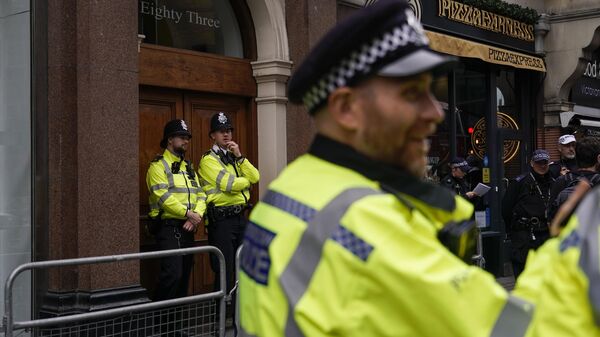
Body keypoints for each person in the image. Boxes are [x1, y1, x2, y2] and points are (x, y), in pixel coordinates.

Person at [239, 1, 548, 335]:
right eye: (412, 93)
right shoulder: (369, 221)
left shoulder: (289, 188)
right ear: (345, 108)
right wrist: (581, 250)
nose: (435, 113)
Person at [199, 112, 259, 296]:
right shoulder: (208, 160)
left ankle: (237, 316)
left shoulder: (234, 158)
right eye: (220, 131)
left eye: (228, 131)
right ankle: (221, 317)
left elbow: (255, 176)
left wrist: (240, 156)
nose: (226, 135)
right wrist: (245, 182)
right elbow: (229, 184)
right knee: (225, 269)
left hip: (240, 218)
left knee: (242, 267)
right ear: (212, 136)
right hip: (222, 220)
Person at [146, 119, 206, 301]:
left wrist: (196, 216)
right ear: (169, 139)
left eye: (187, 137)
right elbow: (163, 198)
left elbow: (202, 194)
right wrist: (188, 213)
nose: (186, 140)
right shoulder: (158, 166)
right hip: (168, 228)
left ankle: (175, 328)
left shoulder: (188, 167)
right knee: (172, 275)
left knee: (184, 277)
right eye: (182, 137)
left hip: (188, 227)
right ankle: (158, 325)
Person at [502, 149, 554, 278]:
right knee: (523, 272)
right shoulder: (520, 182)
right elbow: (506, 208)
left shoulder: (553, 182)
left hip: (546, 233)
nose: (542, 166)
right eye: (538, 163)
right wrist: (511, 230)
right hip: (524, 234)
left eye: (545, 162)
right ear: (532, 163)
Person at [548, 137, 600, 222]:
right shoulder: (554, 168)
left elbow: (550, 219)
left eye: (573, 146)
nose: (571, 149)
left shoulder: (562, 180)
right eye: (567, 146)